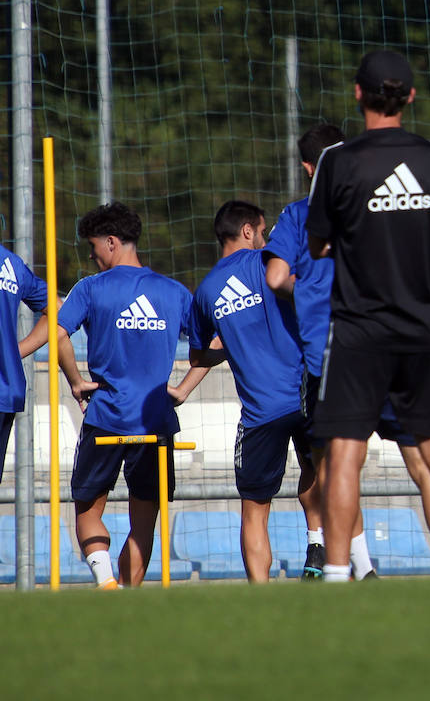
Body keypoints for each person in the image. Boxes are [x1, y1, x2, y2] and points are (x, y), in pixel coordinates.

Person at [305, 50, 430, 582]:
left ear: (358, 94)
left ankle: (336, 574)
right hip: (421, 328)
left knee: (345, 456)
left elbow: (318, 245)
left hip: (357, 330)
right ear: (411, 98)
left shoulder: (338, 161)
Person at [266, 123, 430, 579]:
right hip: (396, 339)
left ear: (309, 166)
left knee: (339, 465)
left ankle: (358, 570)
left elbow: (273, 279)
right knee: (426, 460)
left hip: (332, 352)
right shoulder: (387, 201)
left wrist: (307, 289)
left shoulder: (299, 214)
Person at [179, 200, 320, 583]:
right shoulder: (272, 266)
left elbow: (199, 354)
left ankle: (260, 592)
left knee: (255, 509)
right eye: (262, 230)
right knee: (320, 474)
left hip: (260, 414)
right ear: (247, 231)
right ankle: (319, 551)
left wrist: (233, 342)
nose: (266, 236)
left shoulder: (206, 291)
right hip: (306, 396)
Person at [55, 202, 193, 588]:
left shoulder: (91, 288)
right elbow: (212, 344)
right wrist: (183, 388)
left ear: (112, 242)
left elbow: (58, 333)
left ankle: (105, 583)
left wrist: (75, 380)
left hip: (106, 418)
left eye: (94, 246)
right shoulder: (174, 292)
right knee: (144, 520)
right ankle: (130, 597)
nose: (92, 255)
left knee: (87, 510)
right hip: (155, 420)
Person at [0, 243, 57, 484]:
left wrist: (12, 351)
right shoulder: (10, 263)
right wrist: (11, 353)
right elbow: (56, 309)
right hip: (6, 388)